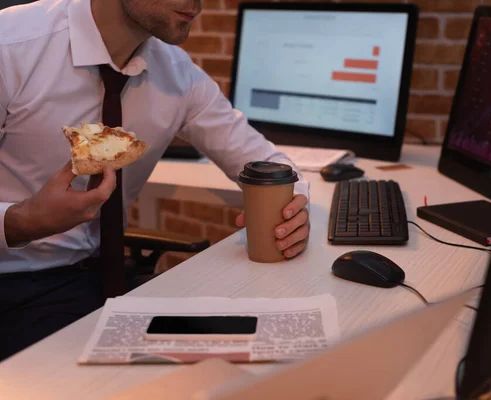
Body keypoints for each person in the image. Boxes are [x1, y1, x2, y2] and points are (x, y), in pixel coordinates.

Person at [0, 0, 310, 361]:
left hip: (99, 282)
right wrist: (21, 221)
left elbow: (269, 163)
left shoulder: (178, 74)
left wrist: (294, 208)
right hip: (12, 285)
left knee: (257, 357)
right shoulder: (12, 47)